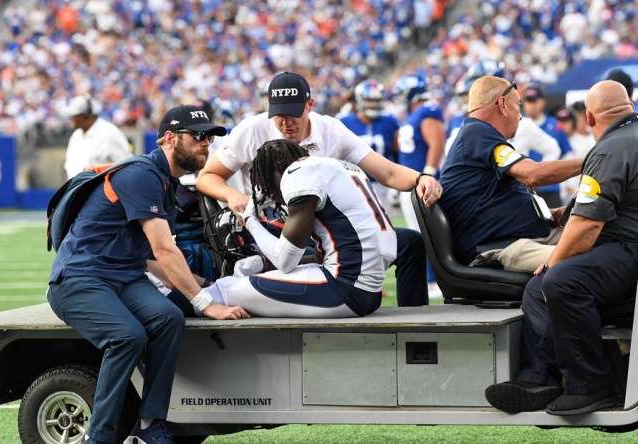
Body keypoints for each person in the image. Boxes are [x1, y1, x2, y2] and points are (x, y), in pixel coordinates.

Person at [47, 105, 249, 444]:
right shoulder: (141, 174)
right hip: (80, 279)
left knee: (169, 318)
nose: (206, 144)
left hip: (123, 276)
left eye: (209, 138)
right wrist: (205, 303)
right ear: (170, 139)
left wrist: (209, 286)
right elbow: (165, 250)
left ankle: (149, 425)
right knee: (127, 336)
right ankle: (98, 438)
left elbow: (151, 257)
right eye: (198, 136)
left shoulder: (162, 180)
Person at [485, 80, 638, 416]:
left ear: (589, 118)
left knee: (561, 281)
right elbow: (594, 207)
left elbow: (588, 227)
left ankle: (592, 386)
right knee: (536, 289)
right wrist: (560, 216)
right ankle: (540, 378)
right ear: (629, 106)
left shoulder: (612, 148)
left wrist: (553, 263)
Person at [197, 71, 443, 307]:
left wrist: (421, 178)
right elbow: (207, 176)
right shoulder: (252, 129)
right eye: (279, 114)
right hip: (273, 232)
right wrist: (234, 196)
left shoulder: (330, 130)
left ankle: (412, 319)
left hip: (323, 233)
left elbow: (386, 171)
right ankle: (260, 271)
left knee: (410, 243)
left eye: (293, 113)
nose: (286, 123)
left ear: (310, 105)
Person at [201, 139, 397, 317]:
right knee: (248, 280)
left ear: (274, 171)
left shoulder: (297, 173)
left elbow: (285, 261)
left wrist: (249, 218)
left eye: (265, 181)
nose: (268, 191)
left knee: (223, 290)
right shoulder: (336, 167)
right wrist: (264, 265)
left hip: (344, 290)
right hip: (368, 291)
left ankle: (172, 299)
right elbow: (322, 256)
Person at [439, 76, 582, 273]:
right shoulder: (477, 132)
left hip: (518, 238)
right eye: (518, 106)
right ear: (503, 104)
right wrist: (592, 161)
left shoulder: (480, 135)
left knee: (603, 235)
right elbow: (532, 175)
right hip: (499, 248)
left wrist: (551, 215)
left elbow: (496, 205)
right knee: (592, 258)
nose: (521, 116)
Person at [392, 72, 445, 231]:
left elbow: (436, 143)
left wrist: (428, 173)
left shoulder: (427, 110)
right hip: (411, 180)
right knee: (416, 231)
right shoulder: (413, 114)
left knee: (428, 233)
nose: (401, 97)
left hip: (422, 182)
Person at [339, 79, 400, 214]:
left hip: (382, 183)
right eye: (369, 100)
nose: (373, 104)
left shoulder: (389, 121)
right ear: (360, 100)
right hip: (353, 184)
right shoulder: (344, 121)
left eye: (376, 100)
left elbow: (396, 152)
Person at [521, 85, 573, 206]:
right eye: (528, 101)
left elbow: (566, 154)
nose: (531, 104)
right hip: (526, 187)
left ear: (543, 102)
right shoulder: (518, 126)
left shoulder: (556, 125)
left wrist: (568, 184)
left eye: (534, 100)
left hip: (551, 186)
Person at [62, 95, 132, 179]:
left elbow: (127, 167)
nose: (71, 118)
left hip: (101, 191)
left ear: (85, 115)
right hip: (75, 190)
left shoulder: (110, 133)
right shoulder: (76, 135)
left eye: (74, 115)